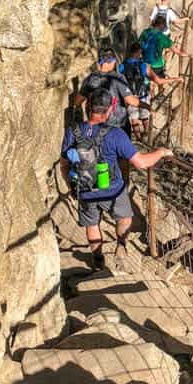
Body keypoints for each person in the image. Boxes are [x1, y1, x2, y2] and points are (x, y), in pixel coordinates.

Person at [61, 88, 173, 271]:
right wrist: (161, 152)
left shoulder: (72, 131)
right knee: (125, 218)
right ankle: (121, 244)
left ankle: (98, 260)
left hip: (84, 189)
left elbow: (64, 165)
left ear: (88, 106)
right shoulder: (116, 134)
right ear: (109, 110)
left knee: (91, 223)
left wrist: (72, 185)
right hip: (113, 190)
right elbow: (142, 163)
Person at [118, 42, 180, 137]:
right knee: (145, 118)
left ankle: (139, 140)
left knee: (134, 120)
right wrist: (175, 79)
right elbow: (158, 81)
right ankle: (146, 138)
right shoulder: (144, 66)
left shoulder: (122, 66)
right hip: (143, 95)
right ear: (139, 52)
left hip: (129, 96)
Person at [75, 47, 139, 135]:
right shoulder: (118, 78)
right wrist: (147, 106)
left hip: (97, 127)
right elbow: (132, 101)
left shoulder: (91, 78)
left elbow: (77, 101)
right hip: (119, 126)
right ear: (112, 61)